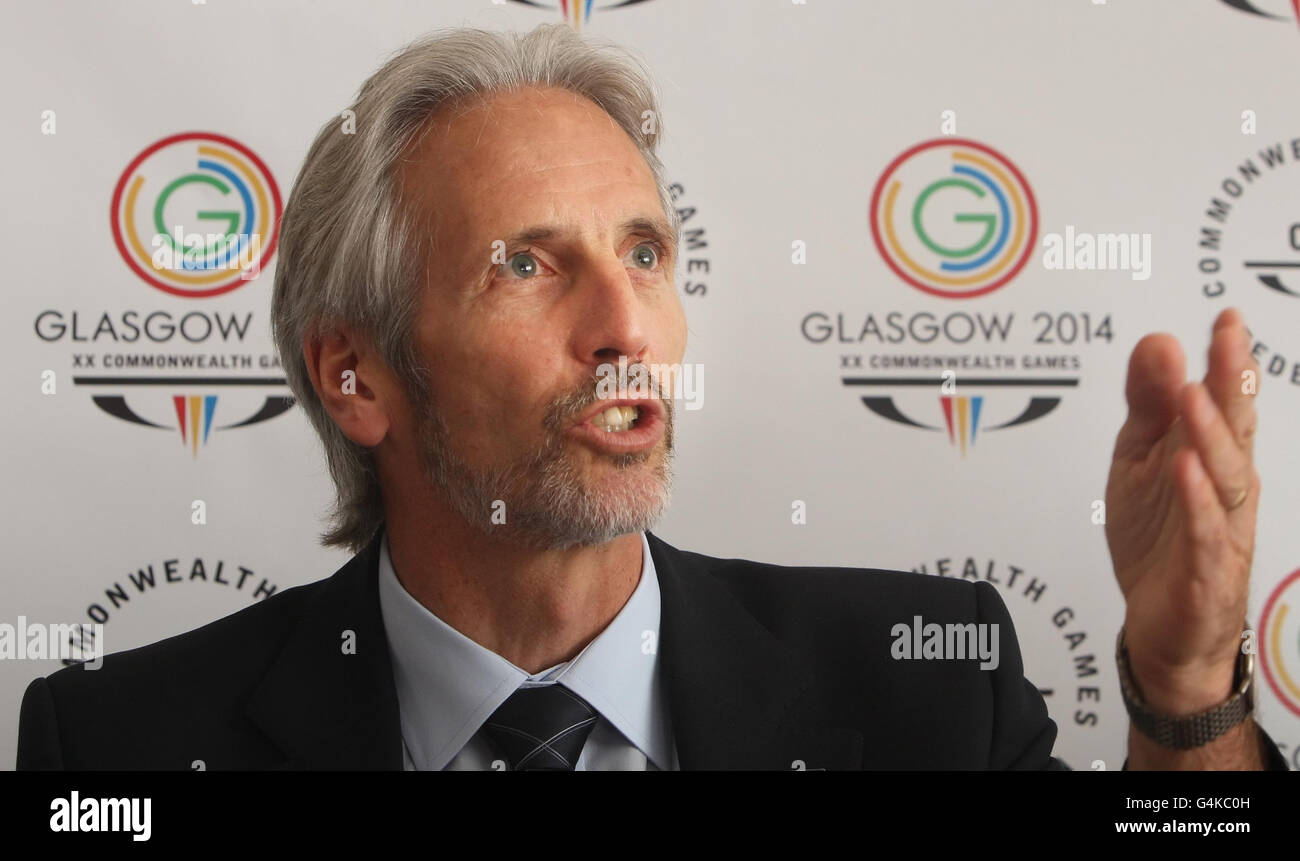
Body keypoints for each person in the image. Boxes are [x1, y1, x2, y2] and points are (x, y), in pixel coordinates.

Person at [16, 24, 1287, 770]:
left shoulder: (921, 692)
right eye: (526, 266)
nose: (626, 327)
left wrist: (1185, 689)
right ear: (356, 376)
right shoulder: (119, 743)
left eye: (643, 253)